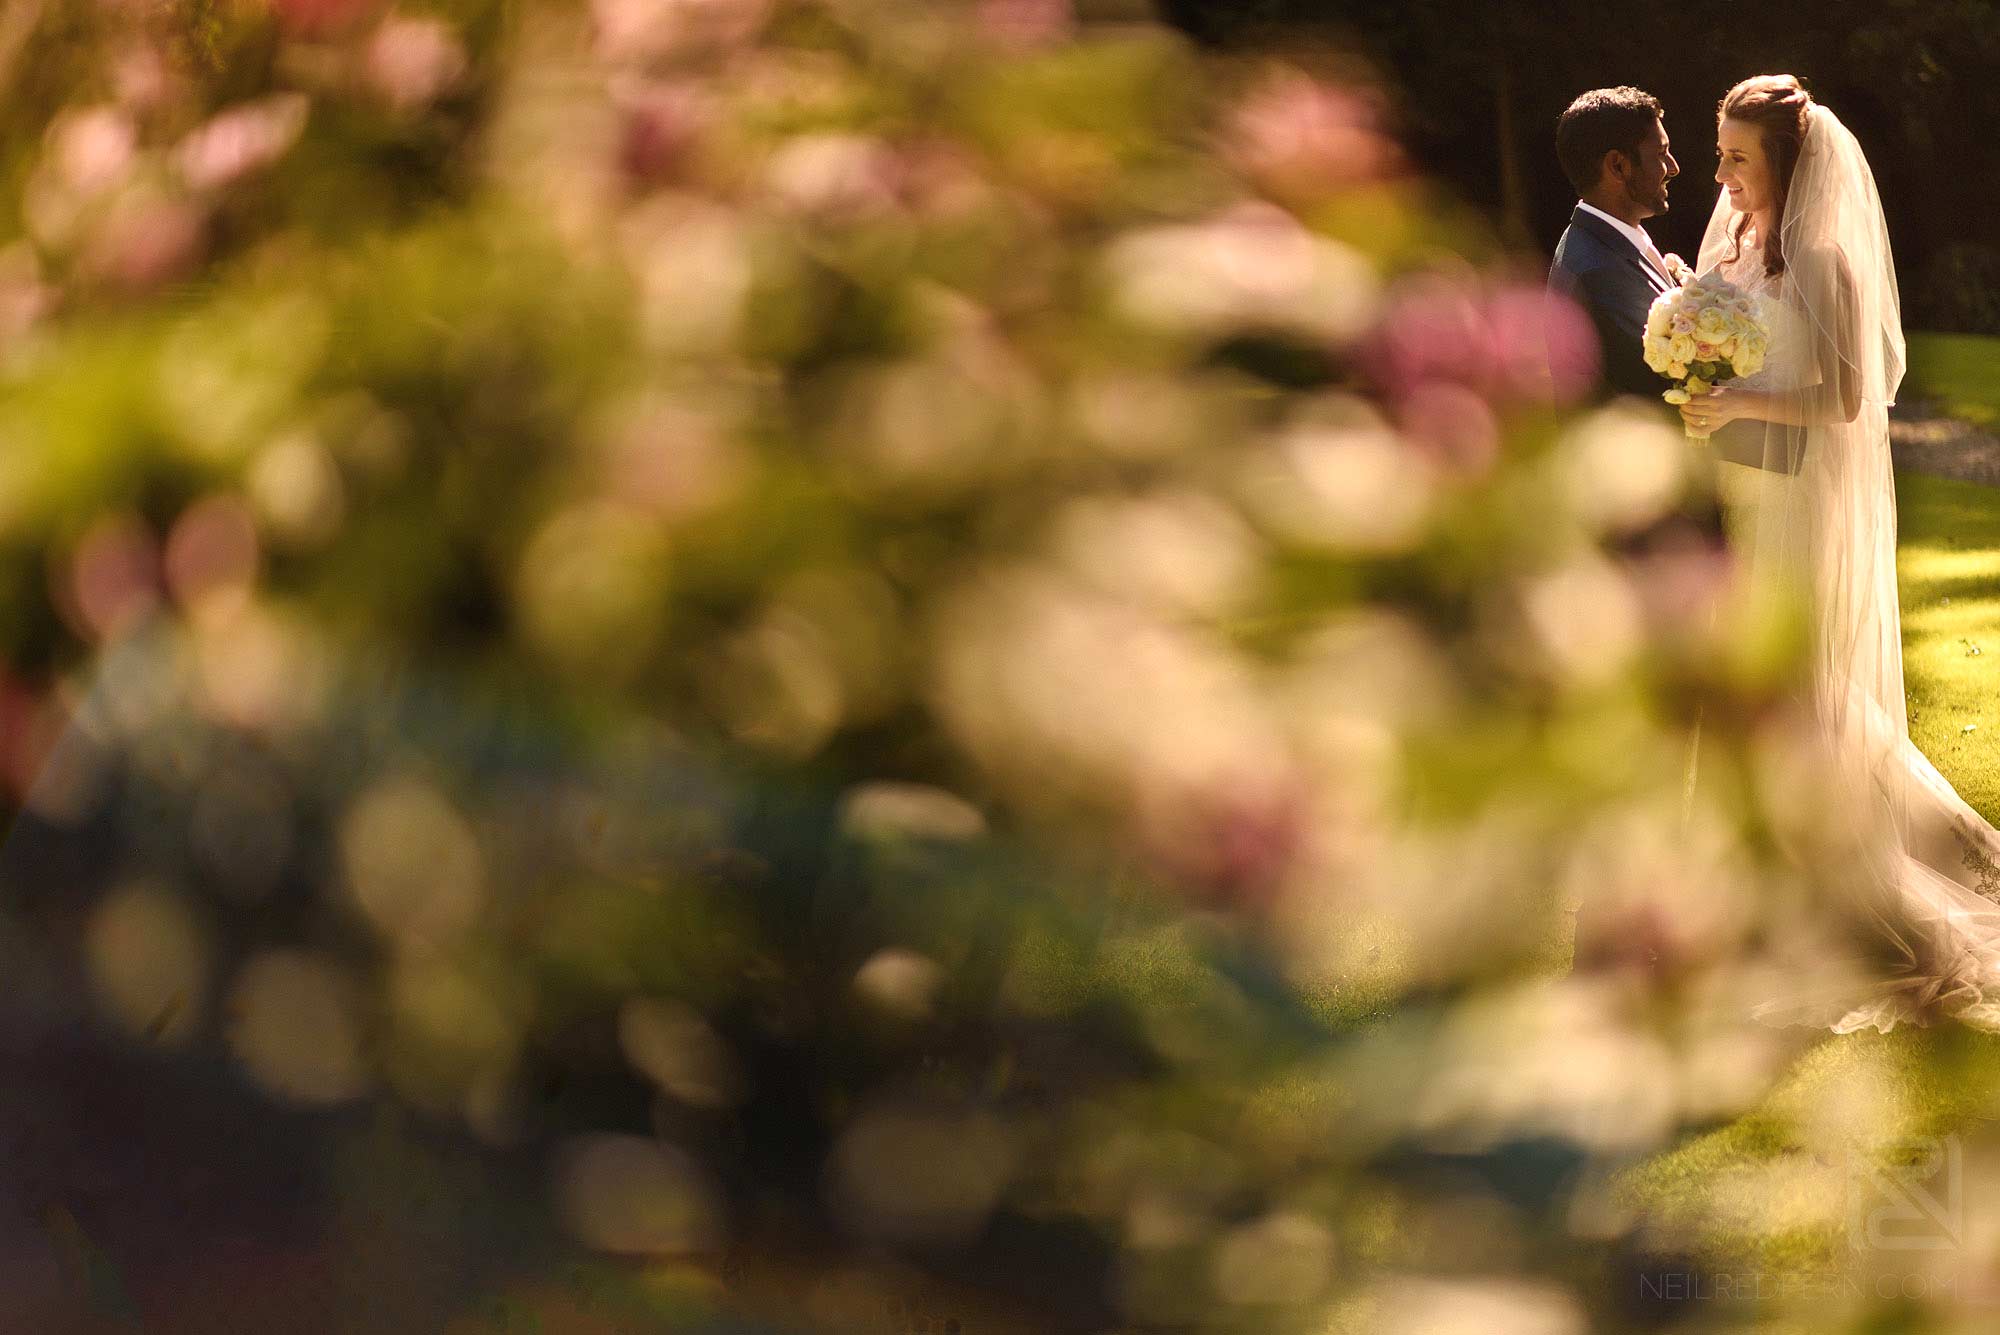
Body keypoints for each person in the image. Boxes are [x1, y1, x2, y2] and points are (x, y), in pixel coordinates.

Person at [1686, 74, 2000, 1033]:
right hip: (1744, 494)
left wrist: (1737, 402)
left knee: (1803, 684)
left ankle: (1833, 877)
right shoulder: (1735, 244)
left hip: (1802, 503)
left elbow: (1850, 402)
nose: (1723, 173)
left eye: (1739, 155)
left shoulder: (1824, 258)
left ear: (1787, 159)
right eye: (1721, 153)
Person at [1548, 86, 1683, 401]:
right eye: (1661, 153)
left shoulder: (1600, 243)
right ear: (1618, 166)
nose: (1673, 168)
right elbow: (1665, 393)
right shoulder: (1598, 271)